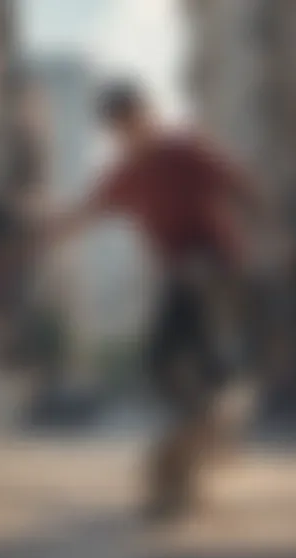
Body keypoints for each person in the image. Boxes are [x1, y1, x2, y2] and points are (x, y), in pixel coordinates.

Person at [45, 80, 262, 520]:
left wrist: (277, 230)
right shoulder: (125, 174)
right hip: (176, 274)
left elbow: (241, 184)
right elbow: (88, 211)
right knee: (159, 357)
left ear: (150, 115)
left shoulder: (185, 151)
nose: (132, 135)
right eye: (121, 130)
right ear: (113, 133)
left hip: (214, 263)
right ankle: (204, 429)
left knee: (194, 303)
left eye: (137, 122)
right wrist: (52, 230)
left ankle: (223, 398)